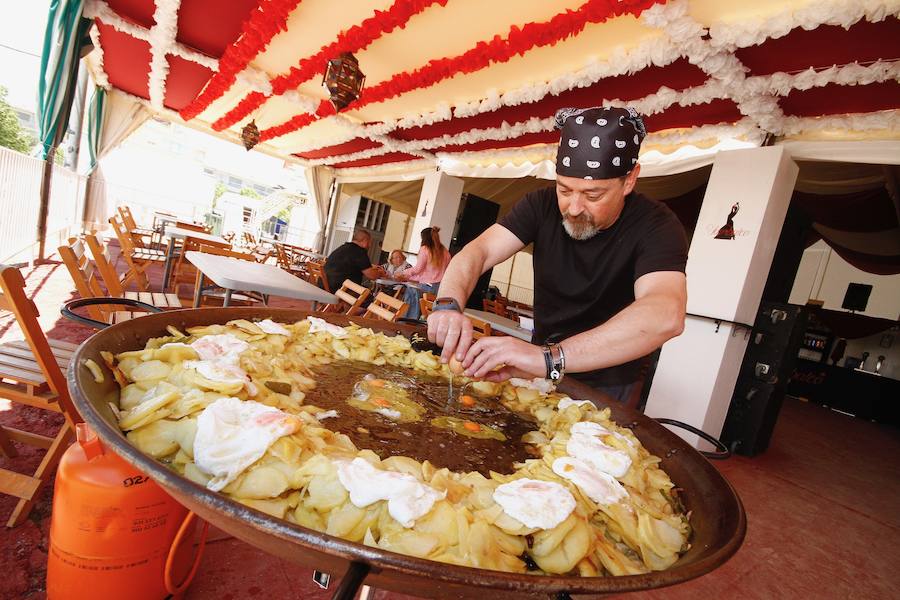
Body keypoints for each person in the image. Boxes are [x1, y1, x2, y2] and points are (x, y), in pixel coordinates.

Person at [427, 106, 688, 403]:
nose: (574, 208)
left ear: (629, 180)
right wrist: (447, 303)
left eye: (593, 195)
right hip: (539, 363)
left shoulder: (656, 224)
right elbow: (480, 251)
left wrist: (550, 359)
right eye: (564, 190)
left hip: (608, 382)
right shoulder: (540, 204)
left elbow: (666, 313)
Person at [395, 227, 451, 320]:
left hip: (427, 288)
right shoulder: (445, 252)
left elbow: (418, 269)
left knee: (410, 289)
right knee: (412, 288)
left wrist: (403, 273)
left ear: (424, 238)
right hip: (439, 289)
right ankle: (416, 319)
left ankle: (408, 321)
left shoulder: (425, 249)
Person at [323, 228, 385, 293]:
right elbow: (372, 276)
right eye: (370, 242)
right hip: (339, 289)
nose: (370, 245)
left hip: (325, 285)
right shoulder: (360, 252)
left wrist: (370, 266)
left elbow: (350, 264)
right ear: (365, 240)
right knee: (370, 298)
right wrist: (381, 273)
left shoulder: (343, 247)